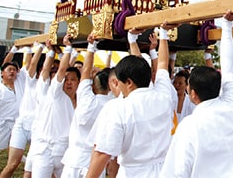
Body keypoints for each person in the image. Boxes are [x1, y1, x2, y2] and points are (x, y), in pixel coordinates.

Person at [160, 11, 233, 177]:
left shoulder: (189, 126)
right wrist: (227, 25)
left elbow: (177, 173)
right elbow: (229, 67)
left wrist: (227, 25)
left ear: (192, 94)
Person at [86, 24, 174, 178]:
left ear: (128, 82)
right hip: (164, 171)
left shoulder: (118, 108)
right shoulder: (164, 96)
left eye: (118, 81)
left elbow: (102, 154)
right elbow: (162, 65)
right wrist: (163, 34)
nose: (116, 85)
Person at [61, 33, 111, 177]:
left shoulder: (85, 97)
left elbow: (85, 73)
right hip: (94, 163)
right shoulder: (113, 105)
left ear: (93, 85)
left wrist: (91, 46)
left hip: (74, 160)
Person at [31, 35, 81, 177]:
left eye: (73, 80)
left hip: (67, 151)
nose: (69, 83)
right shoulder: (55, 93)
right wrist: (65, 49)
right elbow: (54, 70)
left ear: (79, 82)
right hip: (45, 150)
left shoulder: (83, 100)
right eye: (66, 80)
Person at [0, 42, 44, 178]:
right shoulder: (26, 79)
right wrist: (36, 48)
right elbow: (31, 64)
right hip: (21, 125)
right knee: (13, 164)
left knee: (33, 168)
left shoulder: (49, 85)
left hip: (38, 128)